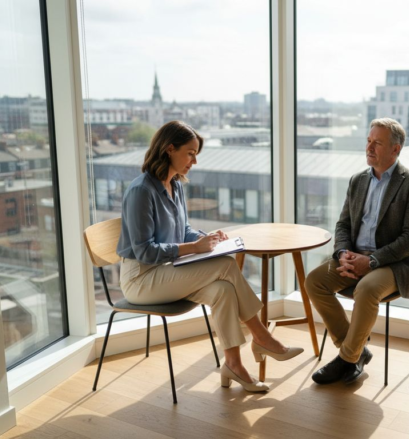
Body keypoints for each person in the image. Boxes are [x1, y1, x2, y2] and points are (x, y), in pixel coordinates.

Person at [116, 120, 302, 393]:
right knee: (226, 265)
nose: (194, 161)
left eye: (196, 155)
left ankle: (233, 365)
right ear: (169, 149)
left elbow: (182, 231)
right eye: (190, 153)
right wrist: (194, 249)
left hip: (168, 271)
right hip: (141, 279)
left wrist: (206, 239)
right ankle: (262, 336)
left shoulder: (175, 185)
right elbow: (144, 250)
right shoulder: (141, 191)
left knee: (223, 290)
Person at [305, 118, 409, 385]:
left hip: (392, 264)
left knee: (367, 289)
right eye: (369, 141)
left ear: (396, 149)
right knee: (314, 281)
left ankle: (347, 360)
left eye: (378, 143)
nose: (369, 147)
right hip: (353, 257)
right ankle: (356, 350)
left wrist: (371, 261)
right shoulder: (358, 180)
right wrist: (342, 254)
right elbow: (343, 224)